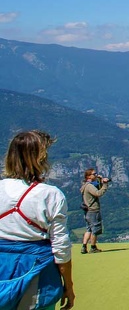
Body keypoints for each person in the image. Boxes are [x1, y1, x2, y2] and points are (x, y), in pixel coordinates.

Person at [0, 130, 75, 309]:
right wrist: (68, 286)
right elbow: (61, 248)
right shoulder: (50, 194)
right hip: (38, 273)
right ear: (40, 159)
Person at [79, 168, 109, 254]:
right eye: (94, 174)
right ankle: (93, 247)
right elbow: (98, 193)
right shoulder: (89, 186)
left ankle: (84, 247)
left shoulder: (85, 185)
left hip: (87, 211)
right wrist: (105, 184)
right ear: (89, 176)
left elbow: (96, 188)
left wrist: (100, 180)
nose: (96, 175)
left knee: (88, 229)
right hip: (93, 211)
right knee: (95, 229)